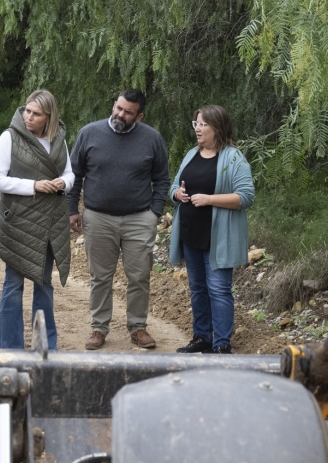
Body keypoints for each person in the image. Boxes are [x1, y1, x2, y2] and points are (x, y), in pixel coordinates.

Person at [67, 89, 169, 351]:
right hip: (98, 217)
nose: (121, 114)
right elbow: (74, 174)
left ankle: (138, 327)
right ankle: (99, 328)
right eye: (118, 108)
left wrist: (154, 213)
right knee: (100, 276)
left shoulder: (152, 139)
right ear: (113, 105)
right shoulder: (89, 133)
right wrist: (72, 210)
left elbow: (162, 179)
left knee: (139, 276)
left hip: (139, 219)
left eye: (128, 112)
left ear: (139, 116)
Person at [0, 89, 74, 350]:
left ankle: (46, 348)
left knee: (45, 285)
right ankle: (10, 349)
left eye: (36, 114)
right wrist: (34, 185)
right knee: (13, 286)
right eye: (27, 111)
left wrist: (64, 182)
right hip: (19, 222)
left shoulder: (58, 138)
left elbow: (71, 173)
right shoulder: (10, 137)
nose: (29, 117)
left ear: (49, 117)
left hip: (50, 222)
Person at [169, 105, 255, 354]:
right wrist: (177, 194)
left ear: (217, 128)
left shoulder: (233, 158)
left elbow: (245, 196)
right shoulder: (191, 154)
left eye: (202, 124)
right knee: (197, 289)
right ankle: (202, 338)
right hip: (190, 234)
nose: (197, 128)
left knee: (218, 290)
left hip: (218, 238)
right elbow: (174, 186)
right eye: (195, 123)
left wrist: (209, 199)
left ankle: (221, 344)